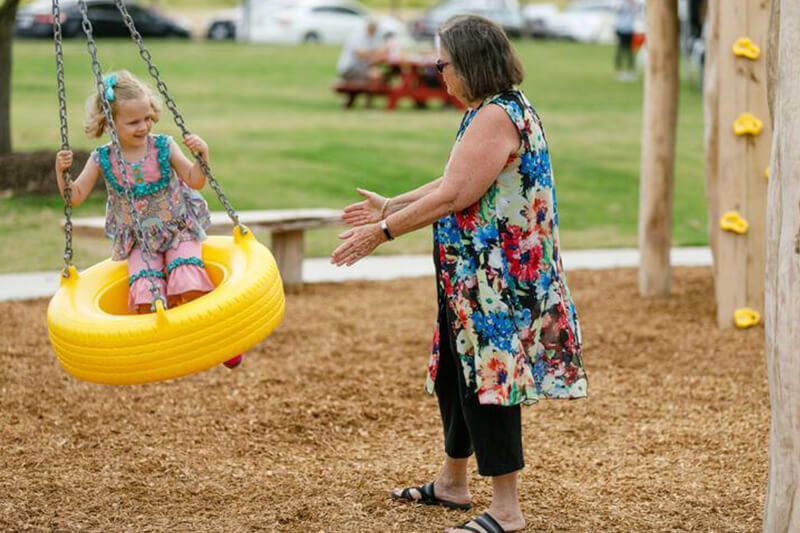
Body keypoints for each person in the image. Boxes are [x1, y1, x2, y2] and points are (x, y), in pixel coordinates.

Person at [331, 15, 587, 533]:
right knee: (455, 371)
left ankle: (507, 511)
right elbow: (457, 177)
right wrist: (391, 202)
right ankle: (452, 483)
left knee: (490, 383)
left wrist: (382, 232)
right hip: (470, 274)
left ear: (468, 63)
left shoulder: (498, 114)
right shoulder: (487, 111)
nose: (437, 71)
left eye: (441, 62)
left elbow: (455, 195)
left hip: (497, 279)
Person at [54, 70, 242, 369]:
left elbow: (194, 181)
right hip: (139, 241)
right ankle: (161, 350)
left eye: (147, 118)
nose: (143, 127)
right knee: (145, 293)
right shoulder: (101, 159)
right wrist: (60, 171)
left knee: (187, 279)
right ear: (110, 123)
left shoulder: (163, 146)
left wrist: (202, 156)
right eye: (133, 122)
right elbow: (73, 197)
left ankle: (218, 342)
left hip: (178, 229)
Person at [615, 0, 638, 81]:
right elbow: (617, 9)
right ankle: (619, 69)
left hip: (629, 30)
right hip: (621, 29)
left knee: (630, 51)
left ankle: (630, 69)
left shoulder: (632, 4)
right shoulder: (620, 3)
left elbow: (636, 10)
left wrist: (631, 3)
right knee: (621, 50)